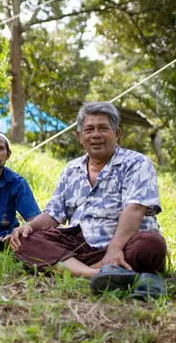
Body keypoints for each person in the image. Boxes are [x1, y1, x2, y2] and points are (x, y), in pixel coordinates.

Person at [9, 102, 167, 298]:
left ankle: (86, 268)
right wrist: (29, 227)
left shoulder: (136, 163)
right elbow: (53, 214)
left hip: (123, 244)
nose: (96, 135)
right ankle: (97, 273)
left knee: (151, 245)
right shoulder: (71, 169)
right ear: (79, 137)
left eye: (103, 128)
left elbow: (134, 210)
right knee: (25, 241)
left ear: (117, 133)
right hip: (80, 244)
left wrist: (115, 249)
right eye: (89, 129)